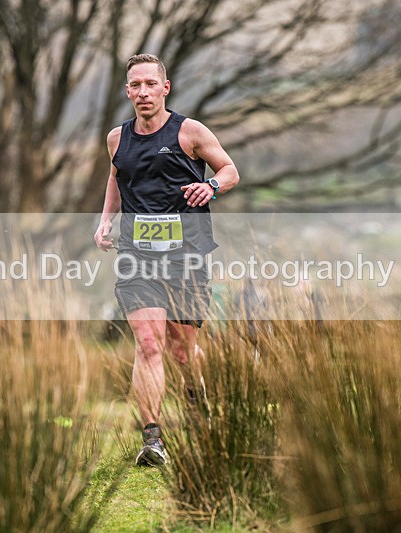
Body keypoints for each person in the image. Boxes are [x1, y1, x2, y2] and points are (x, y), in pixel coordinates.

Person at [94, 54, 239, 466]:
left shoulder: (189, 132)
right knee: (148, 343)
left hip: (186, 256)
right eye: (135, 85)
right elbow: (115, 178)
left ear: (165, 88)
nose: (142, 92)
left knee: (181, 349)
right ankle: (152, 439)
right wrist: (106, 222)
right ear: (128, 92)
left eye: (149, 84)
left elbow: (230, 170)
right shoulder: (116, 139)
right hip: (137, 256)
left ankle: (198, 408)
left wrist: (210, 186)